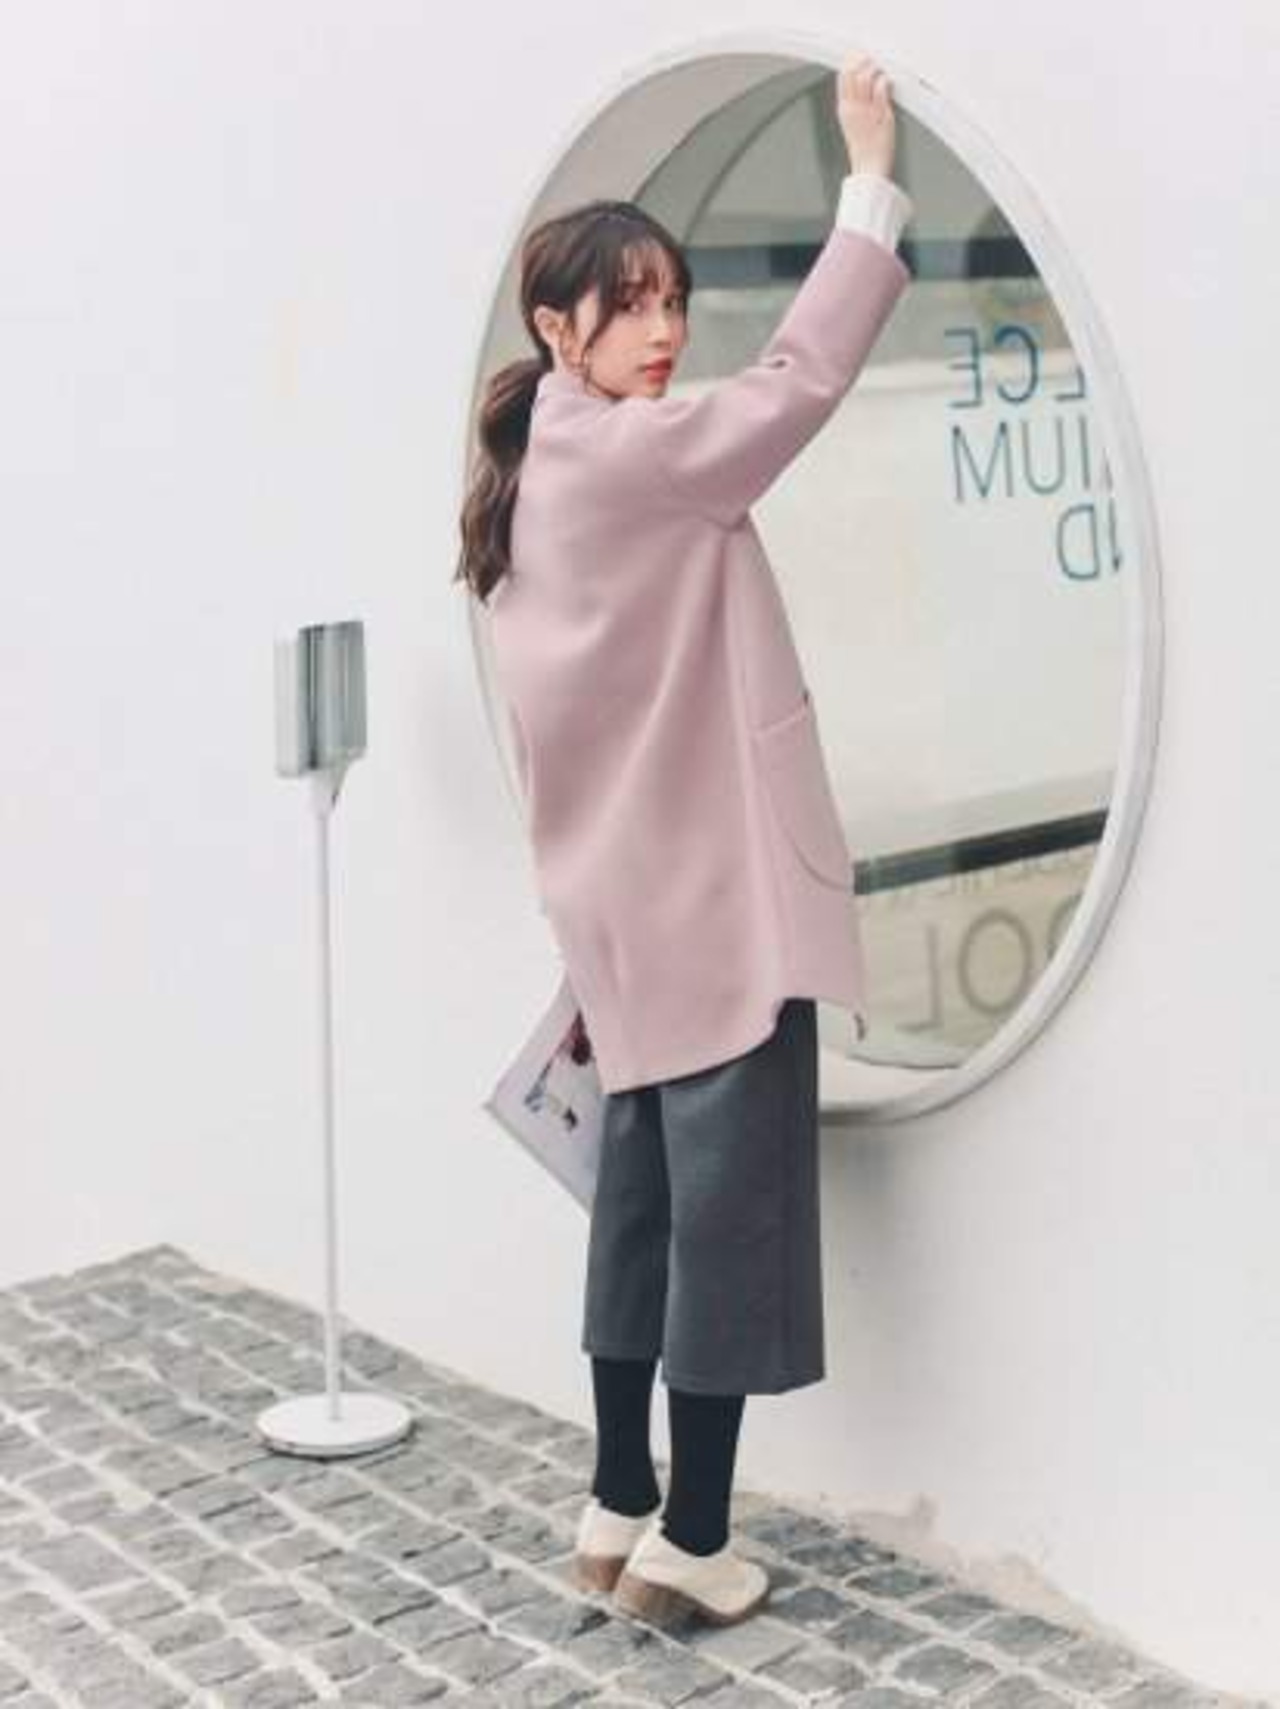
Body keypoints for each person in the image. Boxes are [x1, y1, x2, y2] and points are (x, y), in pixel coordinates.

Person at [456, 51, 914, 1628]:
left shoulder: (523, 485)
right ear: (557, 329)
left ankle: (617, 1505)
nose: (663, 332)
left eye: (673, 301)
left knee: (641, 1223)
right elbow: (798, 382)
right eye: (631, 305)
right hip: (721, 911)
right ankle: (695, 1542)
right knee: (725, 1231)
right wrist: (868, 185)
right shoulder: (643, 458)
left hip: (620, 922)